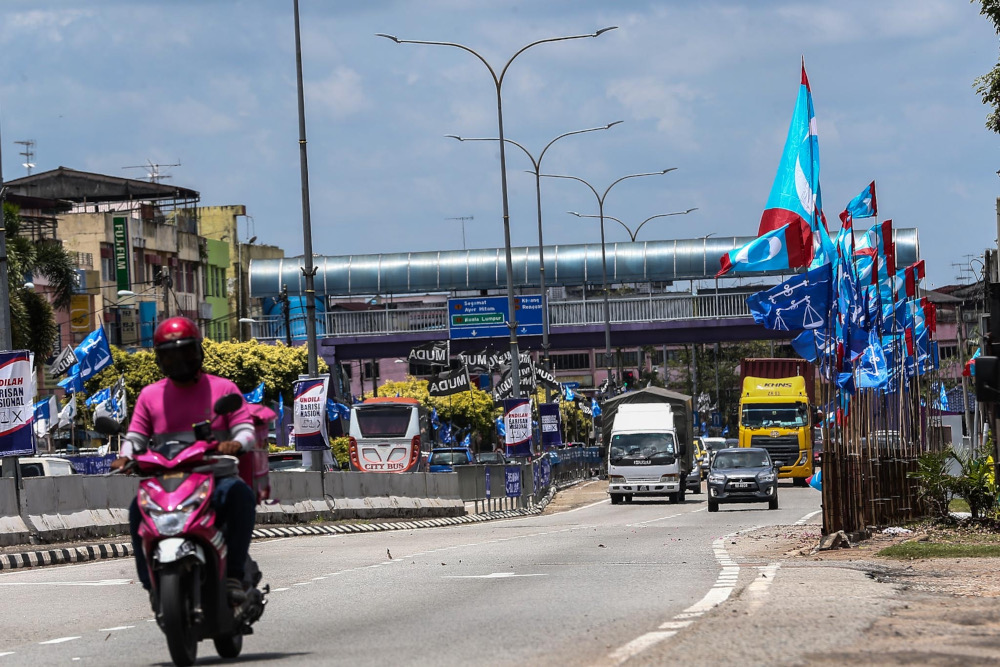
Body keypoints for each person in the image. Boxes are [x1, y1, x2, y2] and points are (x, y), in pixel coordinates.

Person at [111, 316, 258, 605]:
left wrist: (236, 443)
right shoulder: (149, 396)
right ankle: (152, 586)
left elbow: (245, 429)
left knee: (240, 496)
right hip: (166, 481)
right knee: (135, 511)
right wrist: (124, 457)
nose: (178, 361)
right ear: (159, 358)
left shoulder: (224, 389)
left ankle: (234, 574)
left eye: (185, 352)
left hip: (216, 478)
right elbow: (136, 437)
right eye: (169, 355)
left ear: (198, 352)